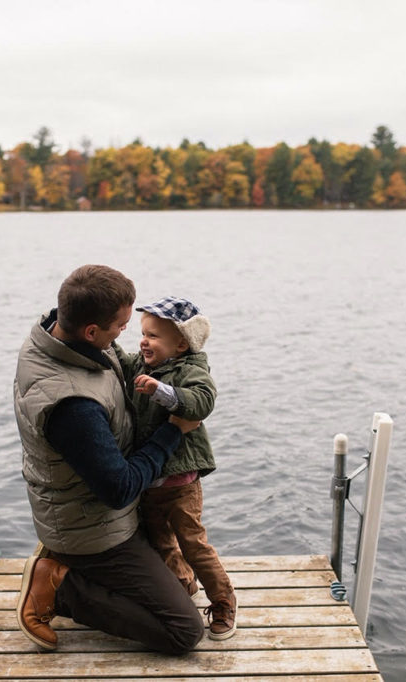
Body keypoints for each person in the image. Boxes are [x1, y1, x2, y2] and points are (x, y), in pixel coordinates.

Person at [12, 264, 205, 655]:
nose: (125, 334)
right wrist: (174, 429)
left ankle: (63, 564)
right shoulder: (72, 405)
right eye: (120, 325)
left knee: (179, 569)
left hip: (83, 511)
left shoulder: (58, 335)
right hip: (95, 532)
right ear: (91, 331)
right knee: (183, 630)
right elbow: (118, 489)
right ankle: (59, 584)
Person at [117, 296, 237, 640]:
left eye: (153, 336)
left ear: (181, 343)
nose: (143, 341)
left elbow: (202, 400)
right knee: (160, 543)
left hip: (180, 482)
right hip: (150, 483)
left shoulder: (190, 369)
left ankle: (224, 599)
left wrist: (163, 392)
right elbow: (124, 362)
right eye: (142, 333)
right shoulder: (142, 363)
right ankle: (184, 587)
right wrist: (106, 342)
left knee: (192, 543)